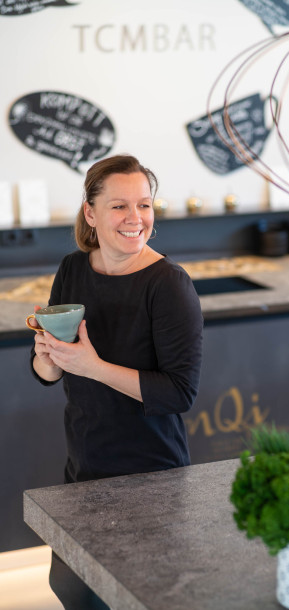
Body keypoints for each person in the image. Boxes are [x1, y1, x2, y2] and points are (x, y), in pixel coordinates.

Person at [30, 154, 204, 609]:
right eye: (119, 206)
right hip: (84, 468)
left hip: (150, 482)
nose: (136, 219)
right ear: (90, 213)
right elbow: (48, 371)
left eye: (145, 205)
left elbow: (178, 393)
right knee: (73, 592)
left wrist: (91, 365)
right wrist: (49, 358)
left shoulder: (168, 284)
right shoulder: (72, 269)